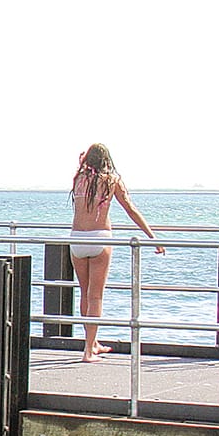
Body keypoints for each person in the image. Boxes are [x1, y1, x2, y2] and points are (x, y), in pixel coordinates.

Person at [68, 142, 162, 362]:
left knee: (84, 294)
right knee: (96, 296)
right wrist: (152, 237)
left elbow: (81, 168)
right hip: (100, 237)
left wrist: (81, 162)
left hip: (76, 239)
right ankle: (89, 351)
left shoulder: (79, 179)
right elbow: (130, 208)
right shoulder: (111, 180)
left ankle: (92, 342)